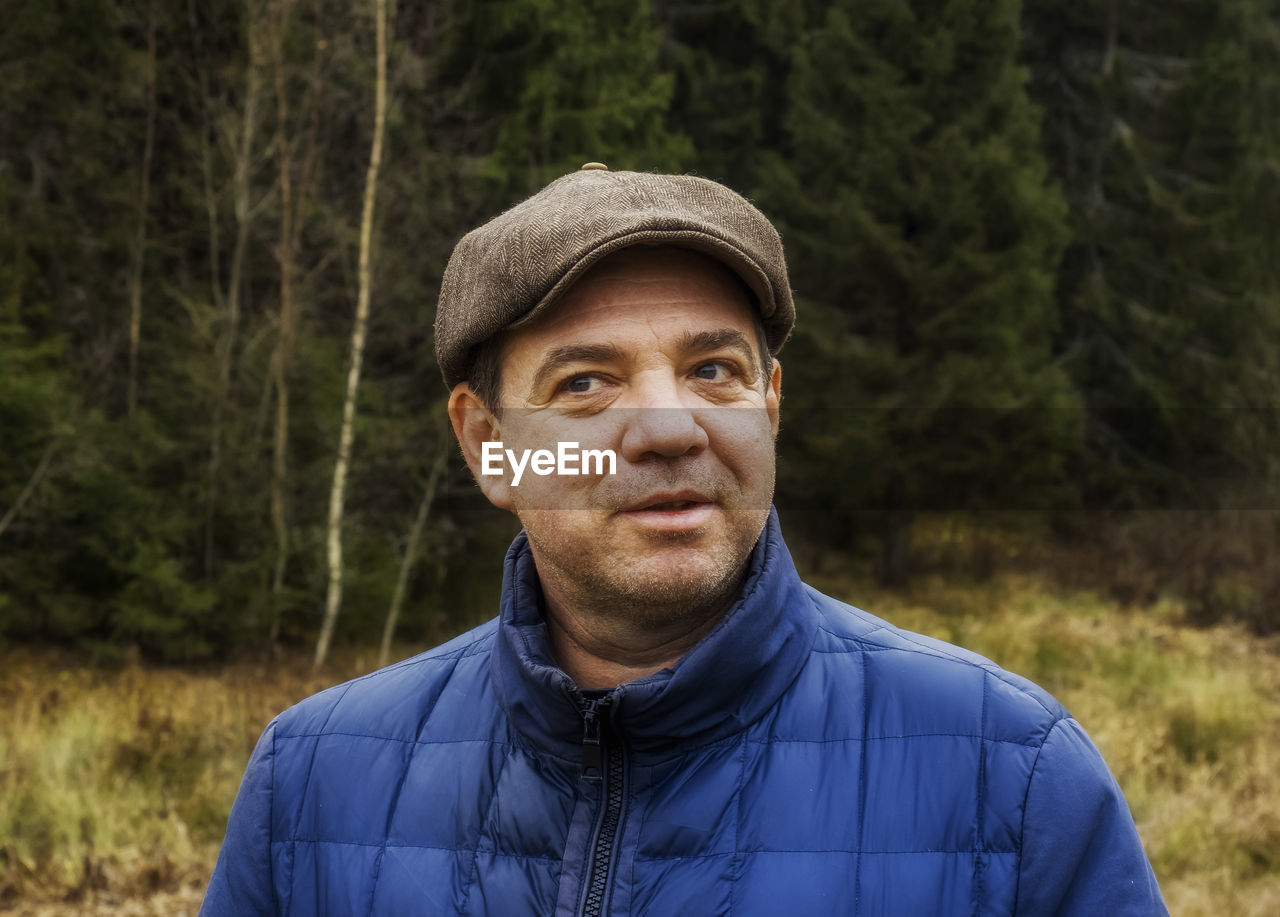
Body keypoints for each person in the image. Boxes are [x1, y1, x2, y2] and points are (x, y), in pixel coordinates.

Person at [201, 164, 1167, 915]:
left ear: (770, 409)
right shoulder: (312, 785)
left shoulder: (1013, 771)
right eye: (586, 382)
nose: (668, 428)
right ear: (488, 445)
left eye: (713, 370)